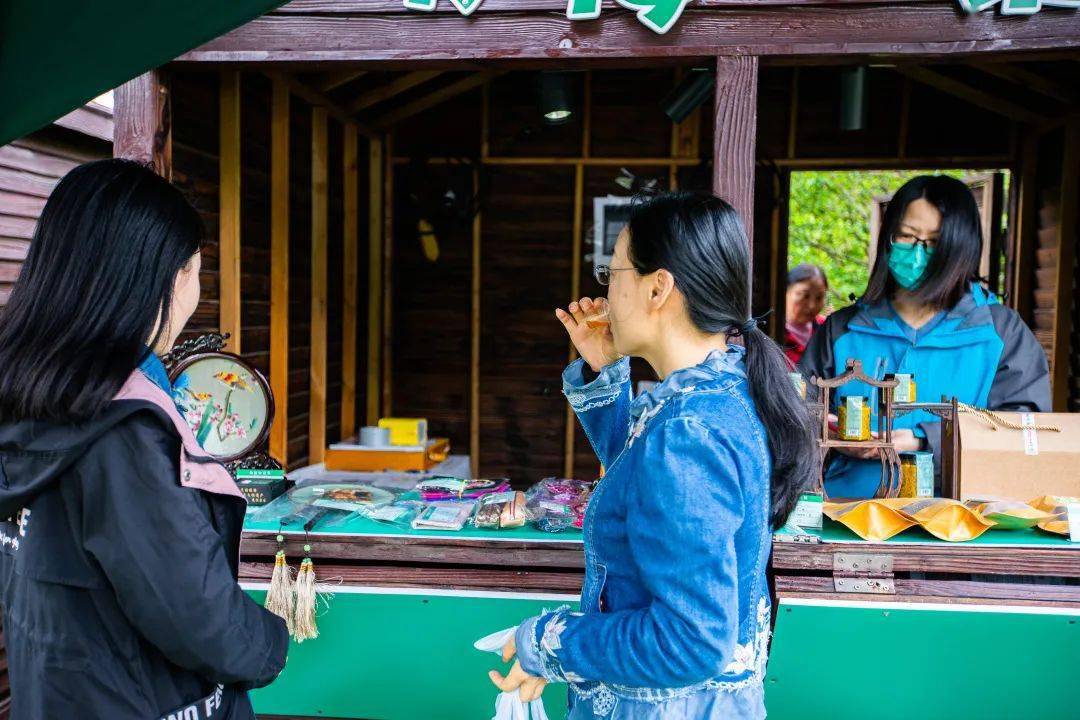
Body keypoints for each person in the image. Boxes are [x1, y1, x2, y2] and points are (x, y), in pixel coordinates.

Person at [489, 192, 817, 718]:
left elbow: (689, 641)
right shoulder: (723, 391)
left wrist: (549, 641)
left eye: (613, 274)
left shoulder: (690, 430)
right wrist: (604, 373)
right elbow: (649, 488)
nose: (606, 293)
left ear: (658, 287)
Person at [0, 159, 289, 719]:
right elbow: (197, 616)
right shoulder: (123, 430)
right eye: (195, 270)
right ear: (165, 278)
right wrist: (272, 645)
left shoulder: (26, 397)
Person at [799, 175, 1051, 499]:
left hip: (961, 518)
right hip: (846, 510)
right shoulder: (841, 329)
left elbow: (1023, 431)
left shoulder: (1000, 332)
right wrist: (828, 432)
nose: (918, 253)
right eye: (907, 236)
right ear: (888, 237)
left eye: (934, 242)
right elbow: (794, 411)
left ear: (961, 249)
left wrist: (924, 440)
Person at [783, 263, 829, 366]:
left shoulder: (827, 329)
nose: (812, 306)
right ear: (785, 292)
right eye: (805, 296)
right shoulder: (770, 331)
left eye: (819, 298)